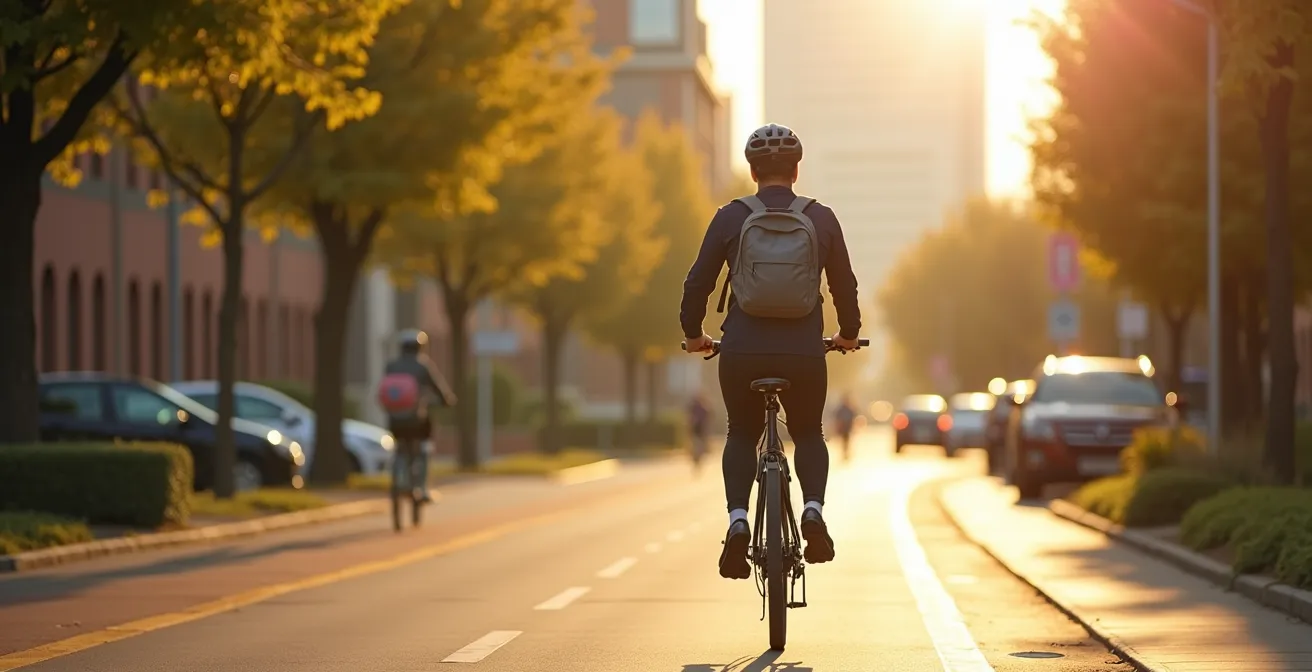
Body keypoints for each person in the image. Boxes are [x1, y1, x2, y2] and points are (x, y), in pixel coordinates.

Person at [679, 123, 862, 580]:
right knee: (808, 431)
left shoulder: (730, 217)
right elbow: (844, 285)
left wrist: (694, 333)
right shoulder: (821, 218)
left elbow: (697, 282)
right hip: (802, 353)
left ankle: (738, 520)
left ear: (753, 170)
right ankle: (813, 511)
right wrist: (847, 334)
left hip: (742, 351)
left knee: (740, 431)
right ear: (796, 171)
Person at [379, 329, 457, 504]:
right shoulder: (423, 366)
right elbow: (439, 389)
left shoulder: (391, 366)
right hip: (417, 420)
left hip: (395, 420)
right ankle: (421, 488)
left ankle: (399, 477)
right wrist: (447, 400)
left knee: (400, 446)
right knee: (423, 447)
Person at [687, 394, 711, 473]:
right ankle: (696, 461)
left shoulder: (701, 408)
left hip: (699, 430)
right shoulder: (700, 408)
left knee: (698, 447)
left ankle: (697, 461)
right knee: (697, 447)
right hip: (697, 430)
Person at [833, 395, 858, 463]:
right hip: (842, 428)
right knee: (844, 440)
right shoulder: (841, 409)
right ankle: (844, 453)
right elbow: (837, 418)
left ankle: (846, 452)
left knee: (847, 440)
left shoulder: (849, 409)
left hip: (847, 428)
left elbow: (853, 418)